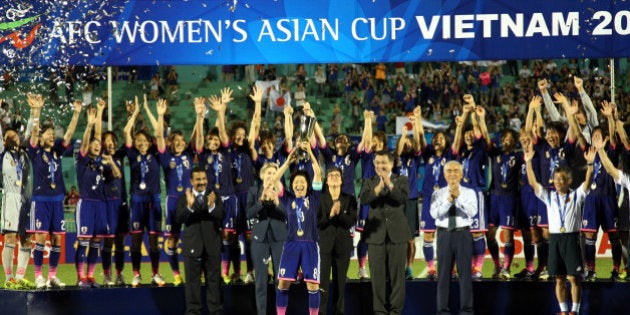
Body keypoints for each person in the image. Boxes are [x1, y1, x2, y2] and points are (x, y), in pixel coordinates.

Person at [524, 135, 595, 315]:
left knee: (574, 278)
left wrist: (590, 165)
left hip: (571, 239)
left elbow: (587, 182)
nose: (557, 182)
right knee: (559, 279)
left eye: (561, 179)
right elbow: (533, 183)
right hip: (555, 239)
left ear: (569, 181)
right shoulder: (549, 196)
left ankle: (575, 311)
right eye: (556, 179)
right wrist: (529, 162)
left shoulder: (577, 195)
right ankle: (563, 311)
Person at [27, 94, 82, 289]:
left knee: (57, 237)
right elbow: (34, 133)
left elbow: (68, 134)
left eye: (52, 133)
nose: (51, 136)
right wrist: (37, 111)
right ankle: (38, 277)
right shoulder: (35, 152)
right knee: (40, 237)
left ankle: (52, 276)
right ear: (41, 137)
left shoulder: (57, 151)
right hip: (41, 200)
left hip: (57, 200)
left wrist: (76, 113)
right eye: (47, 133)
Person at [152, 97, 204, 286]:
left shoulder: (190, 154)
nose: (180, 143)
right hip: (173, 201)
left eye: (182, 140)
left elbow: (197, 136)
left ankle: (196, 273)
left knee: (196, 239)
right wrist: (160, 115)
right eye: (176, 141)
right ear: (170, 144)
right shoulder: (166, 158)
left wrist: (199, 115)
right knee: (172, 240)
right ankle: (175, 274)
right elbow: (159, 137)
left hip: (190, 199)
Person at [74, 107, 122, 288]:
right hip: (86, 203)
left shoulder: (102, 163)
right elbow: (87, 142)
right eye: (94, 143)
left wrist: (102, 111)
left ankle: (91, 275)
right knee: (84, 240)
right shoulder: (83, 160)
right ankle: (80, 277)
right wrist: (91, 123)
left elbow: (117, 176)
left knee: (96, 241)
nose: (96, 145)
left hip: (101, 204)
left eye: (98, 143)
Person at [359, 150, 411, 315]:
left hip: (397, 236)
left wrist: (388, 183)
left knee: (398, 279)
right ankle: (379, 312)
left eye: (384, 163)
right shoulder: (369, 182)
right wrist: (379, 187)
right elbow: (365, 199)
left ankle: (396, 312)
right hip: (375, 237)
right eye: (377, 163)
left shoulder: (401, 180)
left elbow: (402, 198)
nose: (380, 166)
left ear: (391, 164)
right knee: (377, 279)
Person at [124, 95, 166, 287]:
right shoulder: (132, 154)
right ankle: (137, 274)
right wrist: (134, 113)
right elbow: (126, 131)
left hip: (154, 200)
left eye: (144, 140)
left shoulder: (156, 154)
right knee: (136, 239)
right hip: (137, 201)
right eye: (138, 140)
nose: (141, 143)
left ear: (149, 142)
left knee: (154, 239)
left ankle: (155, 273)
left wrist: (149, 110)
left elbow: (159, 133)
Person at [276, 142, 323, 315]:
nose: (299, 185)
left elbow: (318, 172)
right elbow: (275, 181)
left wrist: (310, 152)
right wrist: (287, 164)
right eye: (296, 182)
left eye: (302, 182)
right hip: (291, 244)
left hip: (310, 244)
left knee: (313, 284)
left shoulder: (314, 196)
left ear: (307, 184)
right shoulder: (288, 199)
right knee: (283, 283)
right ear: (292, 185)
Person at [176, 166, 225, 315]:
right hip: (192, 247)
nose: (201, 182)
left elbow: (221, 216)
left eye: (203, 178)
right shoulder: (184, 198)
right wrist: (190, 207)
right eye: (198, 179)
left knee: (214, 284)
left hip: (212, 247)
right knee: (192, 286)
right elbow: (178, 219)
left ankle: (215, 312)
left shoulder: (214, 195)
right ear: (191, 181)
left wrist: (212, 206)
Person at [430, 160, 478, 315]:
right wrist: (448, 200)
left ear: (462, 174)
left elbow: (472, 212)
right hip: (444, 234)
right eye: (449, 171)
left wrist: (458, 199)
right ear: (444, 174)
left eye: (456, 170)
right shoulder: (437, 193)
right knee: (443, 276)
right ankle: (442, 311)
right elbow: (434, 214)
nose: (452, 173)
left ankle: (466, 311)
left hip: (463, 234)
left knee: (465, 276)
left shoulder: (469, 193)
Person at [247, 162, 288, 315]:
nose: (271, 176)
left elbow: (288, 214)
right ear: (262, 175)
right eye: (268, 173)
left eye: (274, 173)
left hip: (279, 239)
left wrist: (277, 203)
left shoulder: (283, 193)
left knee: (281, 281)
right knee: (260, 282)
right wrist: (261, 202)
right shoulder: (253, 191)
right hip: (259, 239)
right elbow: (249, 213)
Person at [317, 166, 357, 315]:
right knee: (322, 286)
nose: (334, 177)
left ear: (341, 180)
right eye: (331, 175)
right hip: (324, 248)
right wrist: (330, 216)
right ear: (326, 181)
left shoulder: (350, 199)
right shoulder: (320, 199)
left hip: (343, 247)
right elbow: (317, 223)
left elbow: (350, 222)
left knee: (340, 286)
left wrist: (339, 214)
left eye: (337, 175)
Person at [1, 126, 35, 289]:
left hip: (26, 199)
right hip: (11, 198)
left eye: (15, 135)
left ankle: (20, 277)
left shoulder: (24, 153)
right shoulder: (3, 154)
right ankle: (9, 278)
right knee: (10, 238)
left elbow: (29, 132)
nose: (13, 138)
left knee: (26, 239)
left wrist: (35, 112)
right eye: (9, 136)